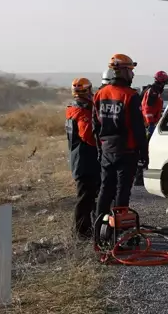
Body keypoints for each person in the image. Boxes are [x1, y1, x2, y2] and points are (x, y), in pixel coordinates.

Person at [92, 54, 149, 216]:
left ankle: (100, 229)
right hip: (126, 152)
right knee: (122, 192)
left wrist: (100, 149)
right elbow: (138, 129)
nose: (133, 74)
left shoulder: (100, 94)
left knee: (105, 190)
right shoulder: (130, 96)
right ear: (122, 71)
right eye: (131, 70)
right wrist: (144, 153)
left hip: (107, 151)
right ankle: (119, 230)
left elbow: (95, 126)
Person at [65, 78, 101, 240]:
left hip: (80, 158)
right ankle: (81, 232)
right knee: (85, 198)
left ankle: (87, 229)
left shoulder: (73, 108)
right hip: (85, 159)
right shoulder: (82, 111)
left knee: (87, 196)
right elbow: (88, 136)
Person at [141, 71, 168, 137]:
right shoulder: (153, 91)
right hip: (148, 124)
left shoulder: (154, 91)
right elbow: (147, 108)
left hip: (150, 123)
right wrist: (150, 124)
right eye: (164, 83)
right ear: (162, 82)